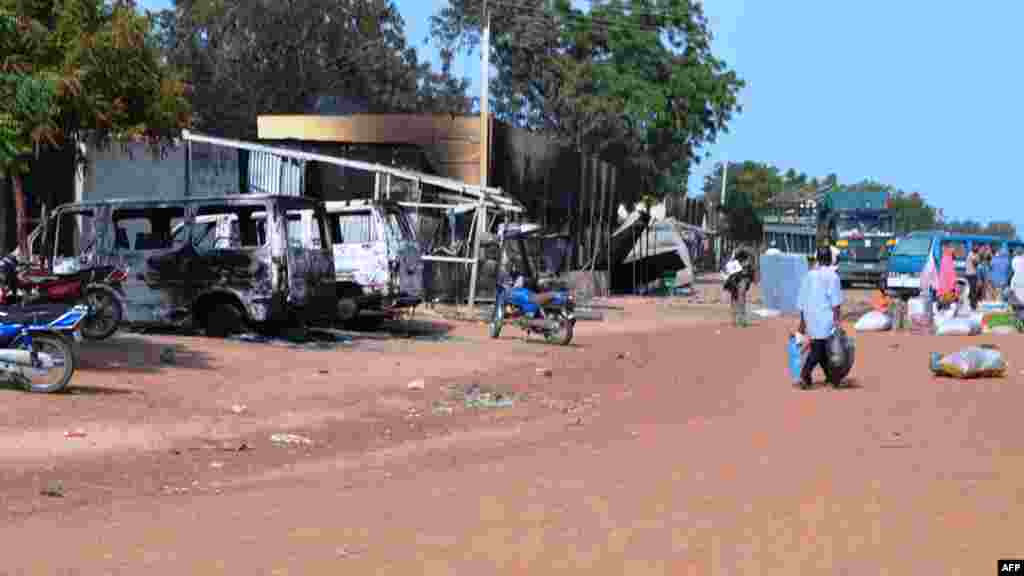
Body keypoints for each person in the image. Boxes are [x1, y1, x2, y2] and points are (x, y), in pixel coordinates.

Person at [796, 246, 844, 389]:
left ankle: (831, 377)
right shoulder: (833, 277)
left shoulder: (809, 275)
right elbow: (835, 302)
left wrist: (803, 321)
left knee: (822, 349)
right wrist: (837, 320)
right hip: (825, 317)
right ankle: (805, 374)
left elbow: (802, 299)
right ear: (830, 259)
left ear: (817, 259)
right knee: (818, 350)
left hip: (811, 315)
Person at [723, 248, 753, 327]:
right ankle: (734, 320)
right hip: (734, 279)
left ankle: (741, 319)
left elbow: (750, 271)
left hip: (742, 278)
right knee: (735, 298)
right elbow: (727, 269)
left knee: (741, 297)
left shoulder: (747, 257)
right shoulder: (733, 256)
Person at [964, 245, 979, 311]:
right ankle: (973, 305)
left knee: (971, 290)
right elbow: (975, 263)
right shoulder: (971, 255)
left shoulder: (974, 255)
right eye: (976, 248)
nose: (977, 249)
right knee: (972, 291)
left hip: (970, 274)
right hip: (971, 275)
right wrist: (977, 259)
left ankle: (971, 304)